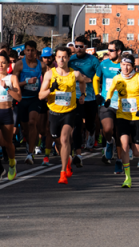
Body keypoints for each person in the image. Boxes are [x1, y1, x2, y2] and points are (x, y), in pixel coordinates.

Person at [104, 54, 139, 188]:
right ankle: (127, 178)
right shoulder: (117, 78)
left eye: (128, 65)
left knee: (137, 152)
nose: (125, 67)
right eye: (123, 64)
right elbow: (110, 91)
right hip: (122, 116)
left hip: (138, 117)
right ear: (120, 65)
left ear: (133, 66)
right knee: (123, 145)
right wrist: (107, 99)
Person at [40, 46, 90, 184]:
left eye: (64, 57)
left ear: (68, 58)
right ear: (55, 58)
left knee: (64, 139)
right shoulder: (49, 74)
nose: (61, 59)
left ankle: (62, 172)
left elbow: (82, 81)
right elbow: (40, 95)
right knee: (58, 142)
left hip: (70, 111)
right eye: (59, 57)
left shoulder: (75, 74)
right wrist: (52, 89)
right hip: (54, 112)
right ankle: (67, 159)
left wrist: (83, 95)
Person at [12, 40, 46, 165]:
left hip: (35, 98)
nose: (30, 53)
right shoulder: (19, 65)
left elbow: (47, 80)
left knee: (33, 123)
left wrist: (44, 91)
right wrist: (26, 82)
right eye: (28, 50)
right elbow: (13, 83)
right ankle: (30, 143)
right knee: (25, 129)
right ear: (24, 51)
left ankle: (30, 154)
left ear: (36, 51)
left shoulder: (41, 65)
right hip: (22, 99)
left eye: (32, 50)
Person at [93, 40, 124, 172]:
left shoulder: (125, 65)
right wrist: (97, 94)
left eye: (111, 50)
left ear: (119, 52)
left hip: (123, 105)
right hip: (107, 102)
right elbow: (96, 79)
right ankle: (108, 142)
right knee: (107, 129)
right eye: (108, 50)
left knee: (120, 134)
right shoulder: (104, 64)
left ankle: (119, 160)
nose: (108, 52)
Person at [68, 37, 100, 163]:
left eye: (81, 46)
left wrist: (89, 80)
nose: (79, 49)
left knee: (90, 122)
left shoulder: (93, 60)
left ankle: (91, 133)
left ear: (86, 47)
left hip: (90, 96)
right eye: (77, 46)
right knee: (77, 123)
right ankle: (78, 145)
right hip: (75, 96)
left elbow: (99, 77)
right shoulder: (71, 59)